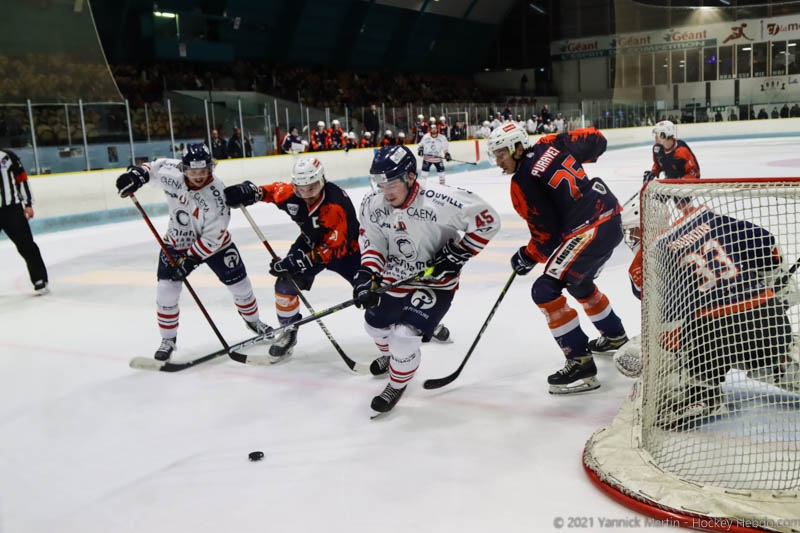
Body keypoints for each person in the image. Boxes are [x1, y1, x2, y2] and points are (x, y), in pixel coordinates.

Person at [223, 157, 453, 361]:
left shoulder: (335, 204)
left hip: (348, 252)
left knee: (377, 294)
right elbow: (273, 191)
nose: (306, 193)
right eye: (301, 188)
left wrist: (299, 261)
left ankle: (419, 321)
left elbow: (333, 248)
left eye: (312, 187)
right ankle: (289, 331)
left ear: (322, 181)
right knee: (285, 284)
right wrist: (252, 192)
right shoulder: (292, 194)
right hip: (310, 243)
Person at [616, 196, 799, 428]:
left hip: (713, 336)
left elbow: (670, 321)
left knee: (648, 354)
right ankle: (781, 363)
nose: (630, 239)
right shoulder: (708, 218)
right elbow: (765, 240)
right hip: (767, 316)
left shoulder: (649, 258)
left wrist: (657, 355)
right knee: (773, 360)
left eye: (632, 232)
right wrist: (777, 281)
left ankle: (701, 394)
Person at [355, 145, 501, 414]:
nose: (385, 192)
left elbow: (489, 221)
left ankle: (397, 382)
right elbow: (373, 242)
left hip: (436, 280)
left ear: (411, 177)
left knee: (403, 336)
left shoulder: (442, 199)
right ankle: (394, 359)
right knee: (373, 326)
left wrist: (458, 252)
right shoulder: (373, 204)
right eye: (379, 183)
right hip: (396, 277)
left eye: (391, 184)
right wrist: (367, 275)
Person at [486, 123, 627, 394]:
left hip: (589, 228)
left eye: (501, 154)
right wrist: (562, 142)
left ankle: (580, 362)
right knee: (578, 281)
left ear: (517, 148)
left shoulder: (522, 182)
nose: (498, 161)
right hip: (611, 215)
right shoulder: (549, 143)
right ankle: (614, 336)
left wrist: (527, 256)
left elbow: (546, 237)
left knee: (545, 290)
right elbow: (597, 140)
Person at [114, 143, 273, 361]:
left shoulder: (217, 194)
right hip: (176, 240)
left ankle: (253, 321)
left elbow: (212, 236)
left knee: (240, 284)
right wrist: (136, 176)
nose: (198, 176)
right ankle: (168, 340)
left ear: (210, 168)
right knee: (166, 291)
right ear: (184, 168)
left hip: (215, 245)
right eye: (193, 171)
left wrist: (190, 260)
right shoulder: (171, 170)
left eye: (203, 171)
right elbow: (151, 169)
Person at [0, 149, 48, 294]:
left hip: (11, 209)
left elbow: (22, 179)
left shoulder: (7, 157)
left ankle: (39, 278)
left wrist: (27, 204)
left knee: (26, 245)